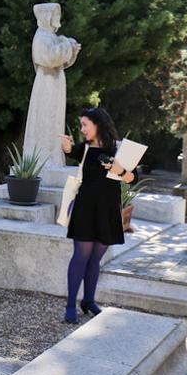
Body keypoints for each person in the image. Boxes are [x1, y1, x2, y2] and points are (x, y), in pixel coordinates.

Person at [58, 107, 138, 324]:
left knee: (95, 259)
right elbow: (71, 150)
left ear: (98, 125)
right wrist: (66, 148)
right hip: (85, 209)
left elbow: (132, 179)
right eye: (81, 125)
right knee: (80, 257)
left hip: (108, 211)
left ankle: (89, 301)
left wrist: (118, 168)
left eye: (85, 124)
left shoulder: (119, 149)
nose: (82, 129)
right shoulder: (84, 148)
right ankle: (70, 305)